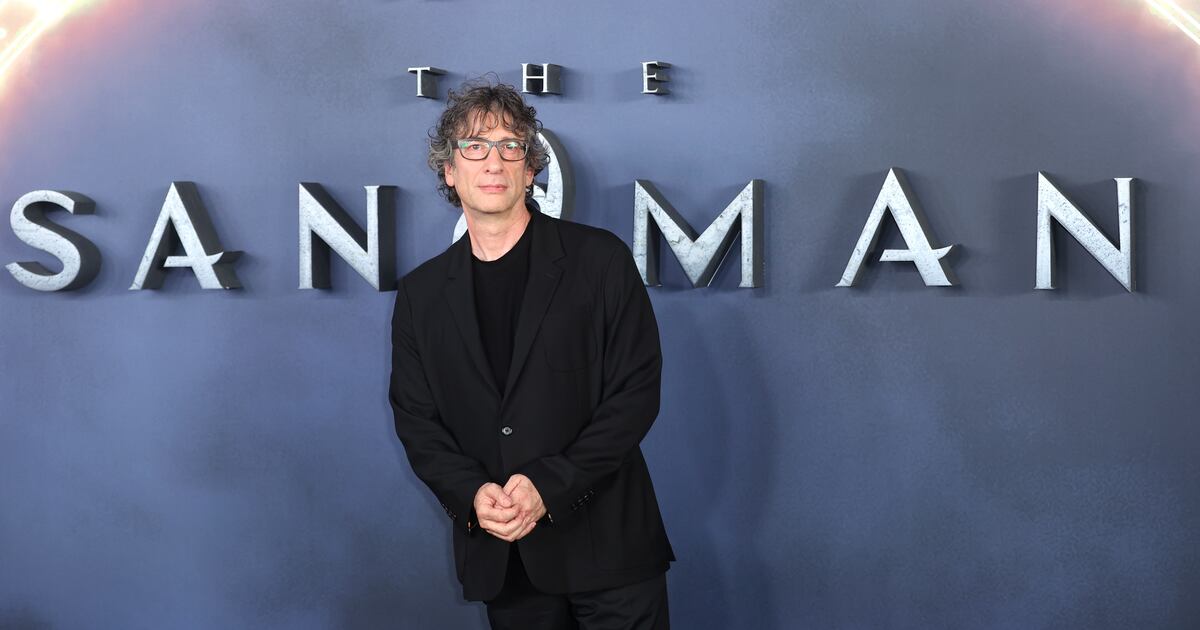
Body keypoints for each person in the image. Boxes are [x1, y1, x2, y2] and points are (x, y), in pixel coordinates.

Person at [389, 79, 674, 629]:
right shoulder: (421, 294)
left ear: (530, 169)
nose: (493, 161)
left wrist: (550, 485)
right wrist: (472, 494)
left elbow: (635, 394)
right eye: (475, 146)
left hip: (611, 552)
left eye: (509, 146)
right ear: (449, 171)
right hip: (506, 562)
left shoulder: (599, 260)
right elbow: (416, 420)